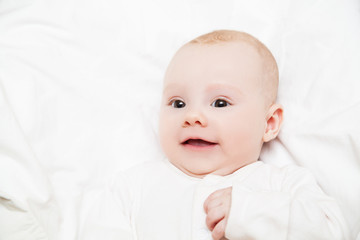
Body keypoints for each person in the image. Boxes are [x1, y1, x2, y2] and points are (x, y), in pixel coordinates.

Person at [79, 30, 350, 240]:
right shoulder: (130, 188)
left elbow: (335, 230)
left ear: (269, 123)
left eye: (220, 103)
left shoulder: (282, 185)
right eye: (178, 103)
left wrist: (251, 211)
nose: (192, 116)